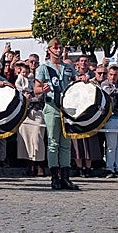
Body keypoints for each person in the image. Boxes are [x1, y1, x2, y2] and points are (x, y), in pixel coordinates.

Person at [35, 38, 78, 190]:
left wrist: (82, 79)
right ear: (49, 50)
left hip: (66, 108)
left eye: (60, 48)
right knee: (53, 142)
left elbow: (76, 82)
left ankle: (66, 177)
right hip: (52, 106)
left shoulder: (68, 67)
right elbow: (36, 89)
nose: (58, 51)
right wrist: (43, 90)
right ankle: (54, 176)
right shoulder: (43, 68)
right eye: (56, 48)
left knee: (66, 143)